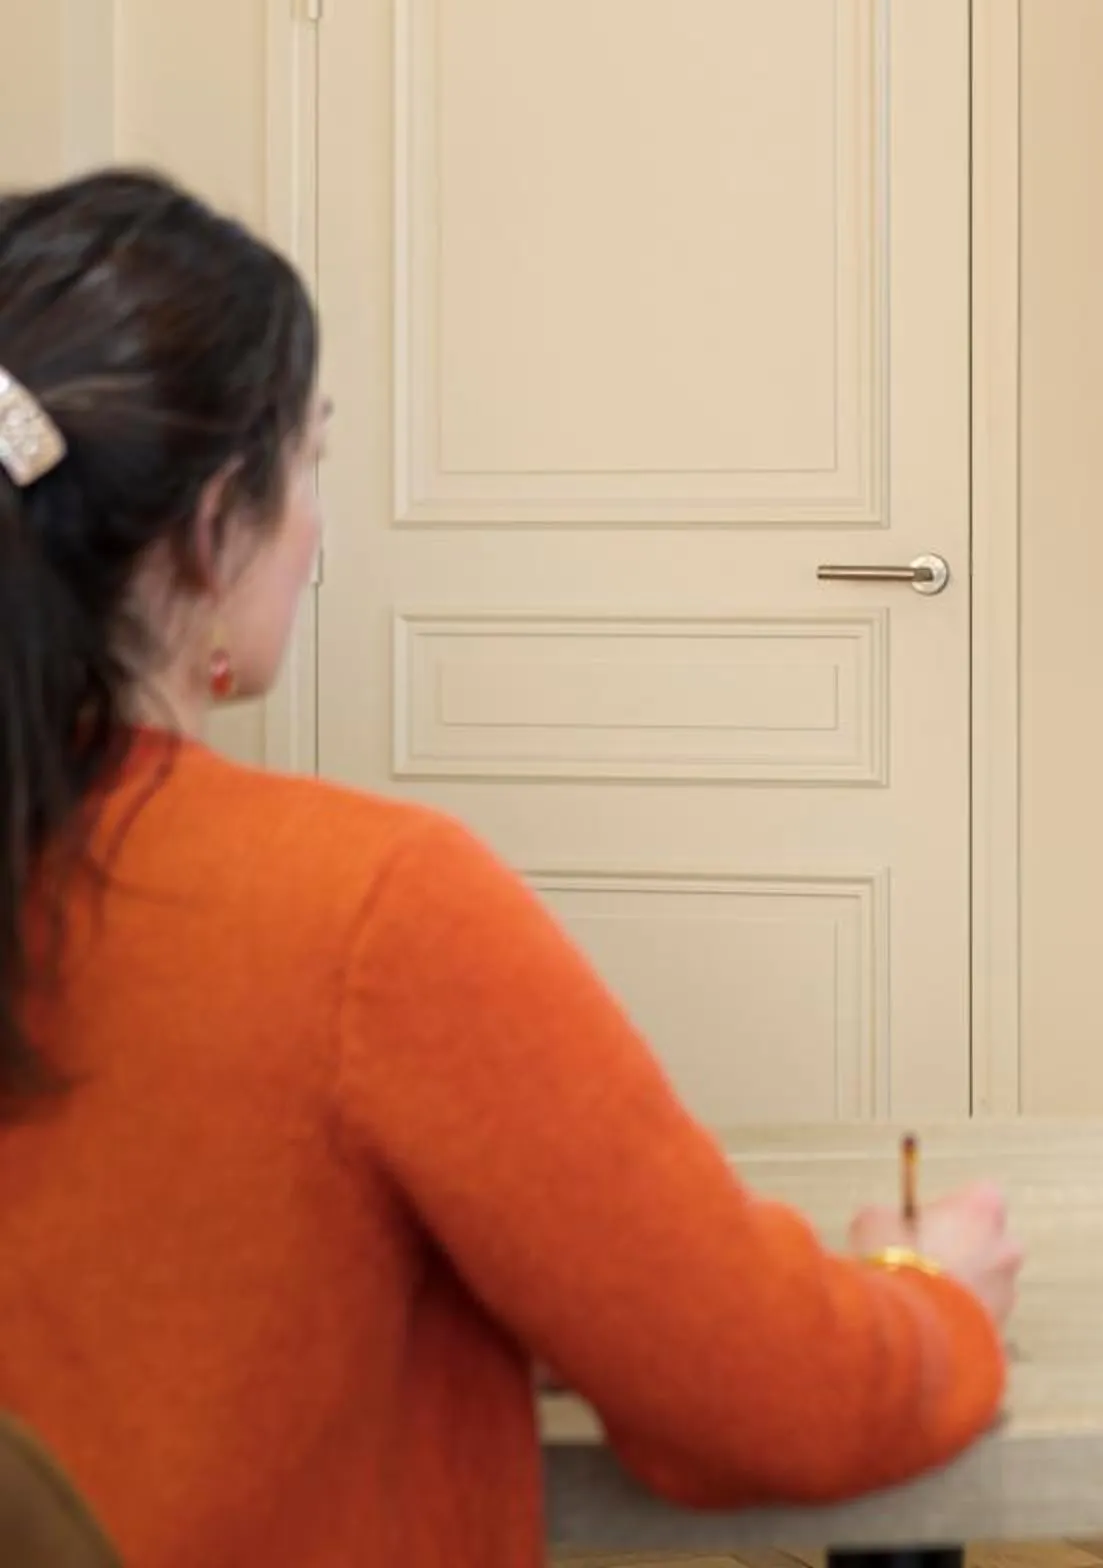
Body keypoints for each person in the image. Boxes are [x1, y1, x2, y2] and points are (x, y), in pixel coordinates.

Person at [0, 171, 1024, 1567]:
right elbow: (766, 1395)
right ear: (214, 521)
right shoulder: (360, 911)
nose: (318, 539)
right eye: (312, 463)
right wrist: (929, 1291)